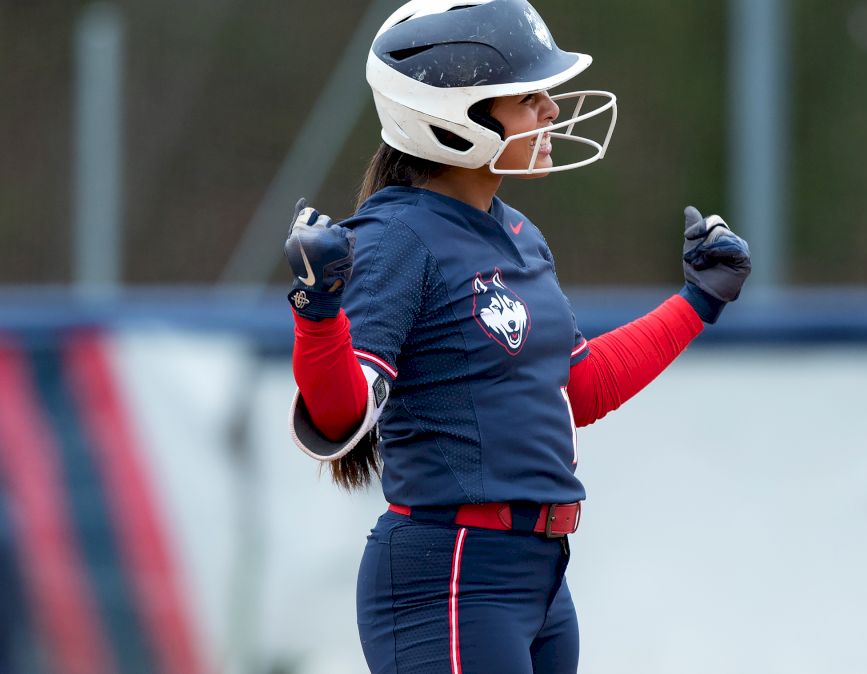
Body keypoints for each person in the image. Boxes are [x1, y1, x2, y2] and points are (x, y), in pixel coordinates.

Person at [283, 1, 751, 672]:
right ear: (457, 119)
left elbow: (580, 386)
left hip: (537, 574)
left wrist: (697, 302)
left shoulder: (520, 234)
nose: (552, 110)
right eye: (528, 97)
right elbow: (339, 415)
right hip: (450, 573)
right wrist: (317, 312)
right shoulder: (394, 239)